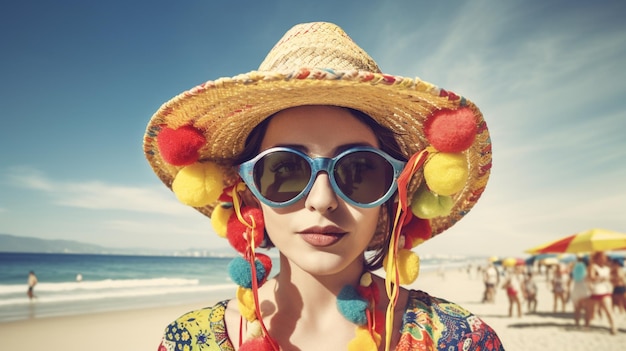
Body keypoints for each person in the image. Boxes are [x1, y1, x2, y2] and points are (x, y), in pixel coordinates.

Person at [145, 22, 503, 351]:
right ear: (247, 189)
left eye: (360, 169)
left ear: (394, 191)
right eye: (284, 169)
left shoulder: (463, 342)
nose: (322, 200)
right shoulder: (187, 342)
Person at [586, 251, 616, 334]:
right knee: (592, 311)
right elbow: (591, 277)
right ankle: (587, 324)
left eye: (605, 257)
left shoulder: (607, 267)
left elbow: (610, 278)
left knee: (608, 310)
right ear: (597, 258)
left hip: (605, 290)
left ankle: (613, 327)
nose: (604, 259)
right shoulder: (593, 266)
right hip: (596, 290)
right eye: (602, 257)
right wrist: (601, 278)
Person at [569, 256, 590, 327]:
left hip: (576, 287)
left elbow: (571, 277)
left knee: (577, 307)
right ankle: (586, 323)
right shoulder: (587, 267)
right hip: (584, 287)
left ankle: (577, 322)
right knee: (586, 307)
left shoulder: (574, 266)